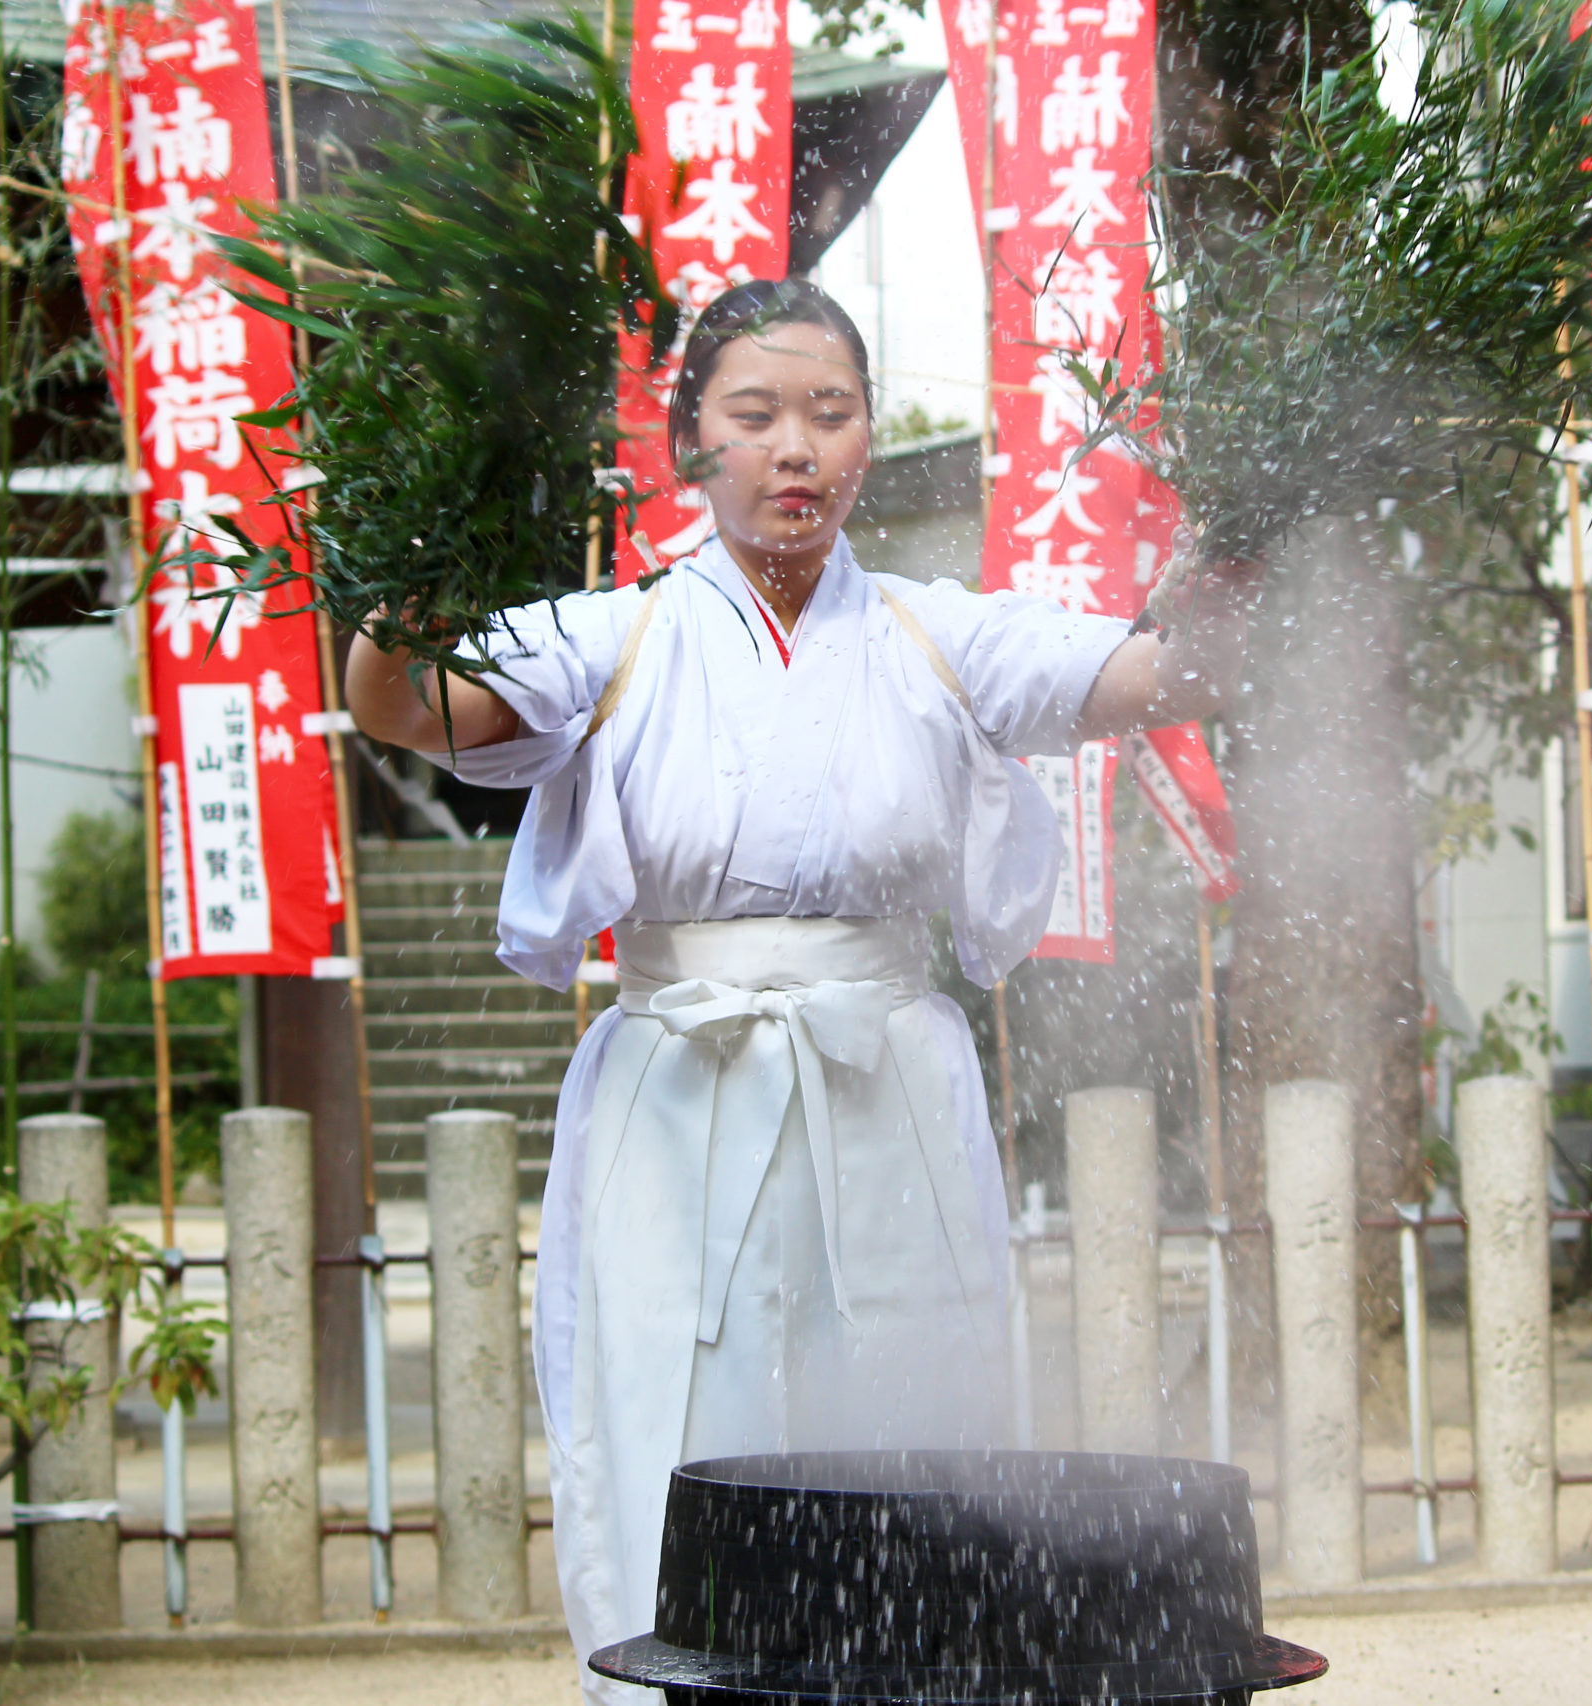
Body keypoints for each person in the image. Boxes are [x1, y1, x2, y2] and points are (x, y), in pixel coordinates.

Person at [347, 278, 1254, 1703]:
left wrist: (1255, 541)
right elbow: (403, 705)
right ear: (689, 440)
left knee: (913, 1407)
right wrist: (415, 548)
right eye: (756, 414)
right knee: (667, 1405)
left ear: (868, 439)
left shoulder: (935, 634)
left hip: (888, 1072)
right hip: (674, 1080)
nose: (796, 450)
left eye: (829, 415)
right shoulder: (616, 633)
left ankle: (909, 1678)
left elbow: (1156, 671)